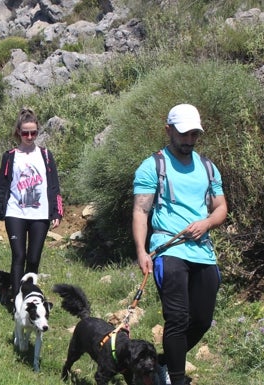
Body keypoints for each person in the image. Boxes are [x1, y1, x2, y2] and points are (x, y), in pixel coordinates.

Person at [132, 104, 227, 385]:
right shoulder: (153, 166)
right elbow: (141, 211)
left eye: (194, 135)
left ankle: (162, 363)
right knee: (177, 317)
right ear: (169, 130)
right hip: (167, 248)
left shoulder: (208, 167)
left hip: (202, 252)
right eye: (184, 134)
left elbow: (221, 207)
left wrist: (207, 223)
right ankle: (176, 378)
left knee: (202, 319)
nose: (189, 141)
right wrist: (141, 251)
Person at [0, 107, 63, 299]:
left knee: (34, 258)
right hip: (15, 213)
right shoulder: (10, 156)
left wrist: (56, 212)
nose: (29, 136)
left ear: (37, 131)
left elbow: (54, 185)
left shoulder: (46, 155)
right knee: (19, 256)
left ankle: (30, 295)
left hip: (40, 214)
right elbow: (1, 187)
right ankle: (16, 301)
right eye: (25, 133)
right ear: (18, 133)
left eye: (33, 132)